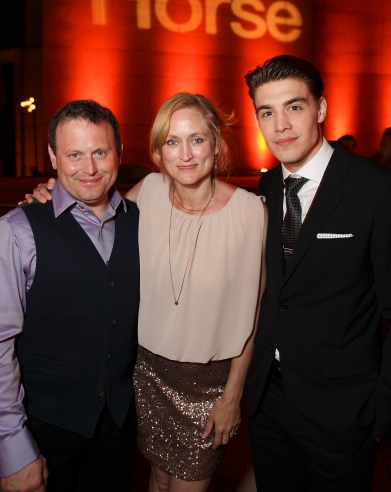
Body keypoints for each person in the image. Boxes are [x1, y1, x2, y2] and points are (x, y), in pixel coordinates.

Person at [26, 93, 267, 492]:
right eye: (172, 141)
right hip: (146, 376)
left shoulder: (250, 212)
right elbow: (91, 204)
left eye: (197, 139)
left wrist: (232, 395)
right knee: (155, 478)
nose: (185, 154)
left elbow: (254, 312)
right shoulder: (148, 192)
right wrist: (49, 191)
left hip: (206, 388)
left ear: (216, 144)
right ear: (158, 151)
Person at [244, 55, 391, 492]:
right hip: (268, 402)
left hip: (343, 412)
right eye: (267, 112)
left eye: (294, 107)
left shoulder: (378, 190)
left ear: (321, 109)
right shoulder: (269, 186)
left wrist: (381, 413)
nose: (281, 126)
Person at [0, 100, 140, 492]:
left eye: (100, 152)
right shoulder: (17, 230)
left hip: (117, 428)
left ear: (119, 152)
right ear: (53, 157)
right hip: (44, 429)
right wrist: (13, 448)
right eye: (74, 154)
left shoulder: (140, 221)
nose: (89, 168)